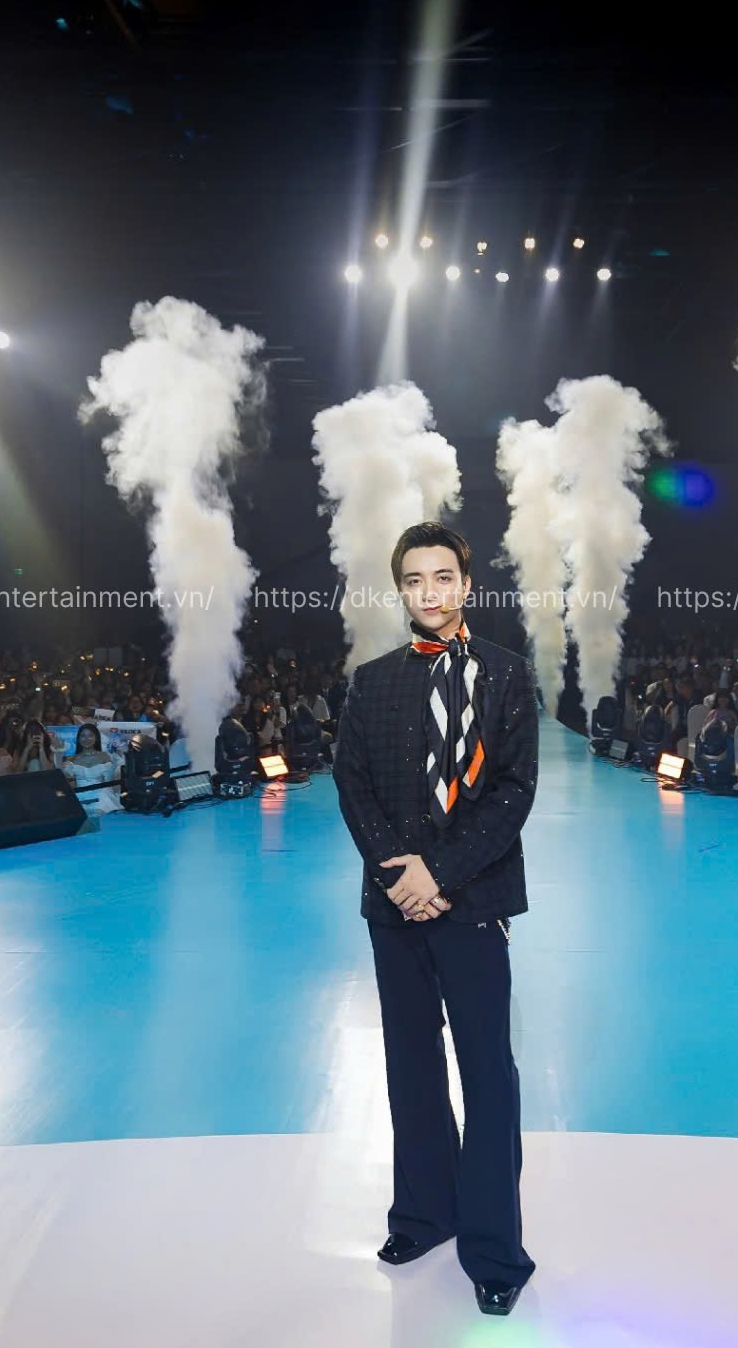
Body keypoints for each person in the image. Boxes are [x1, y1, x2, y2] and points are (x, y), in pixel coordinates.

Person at [333, 522, 537, 1317]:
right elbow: (353, 785)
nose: (429, 591)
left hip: (473, 903)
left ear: (466, 585)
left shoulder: (507, 675)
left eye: (442, 576)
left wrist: (440, 873)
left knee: (487, 1074)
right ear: (401, 589)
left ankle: (493, 1249)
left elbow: (513, 790)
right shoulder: (371, 681)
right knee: (410, 1066)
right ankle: (423, 1216)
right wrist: (402, 875)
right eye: (414, 579)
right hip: (395, 907)